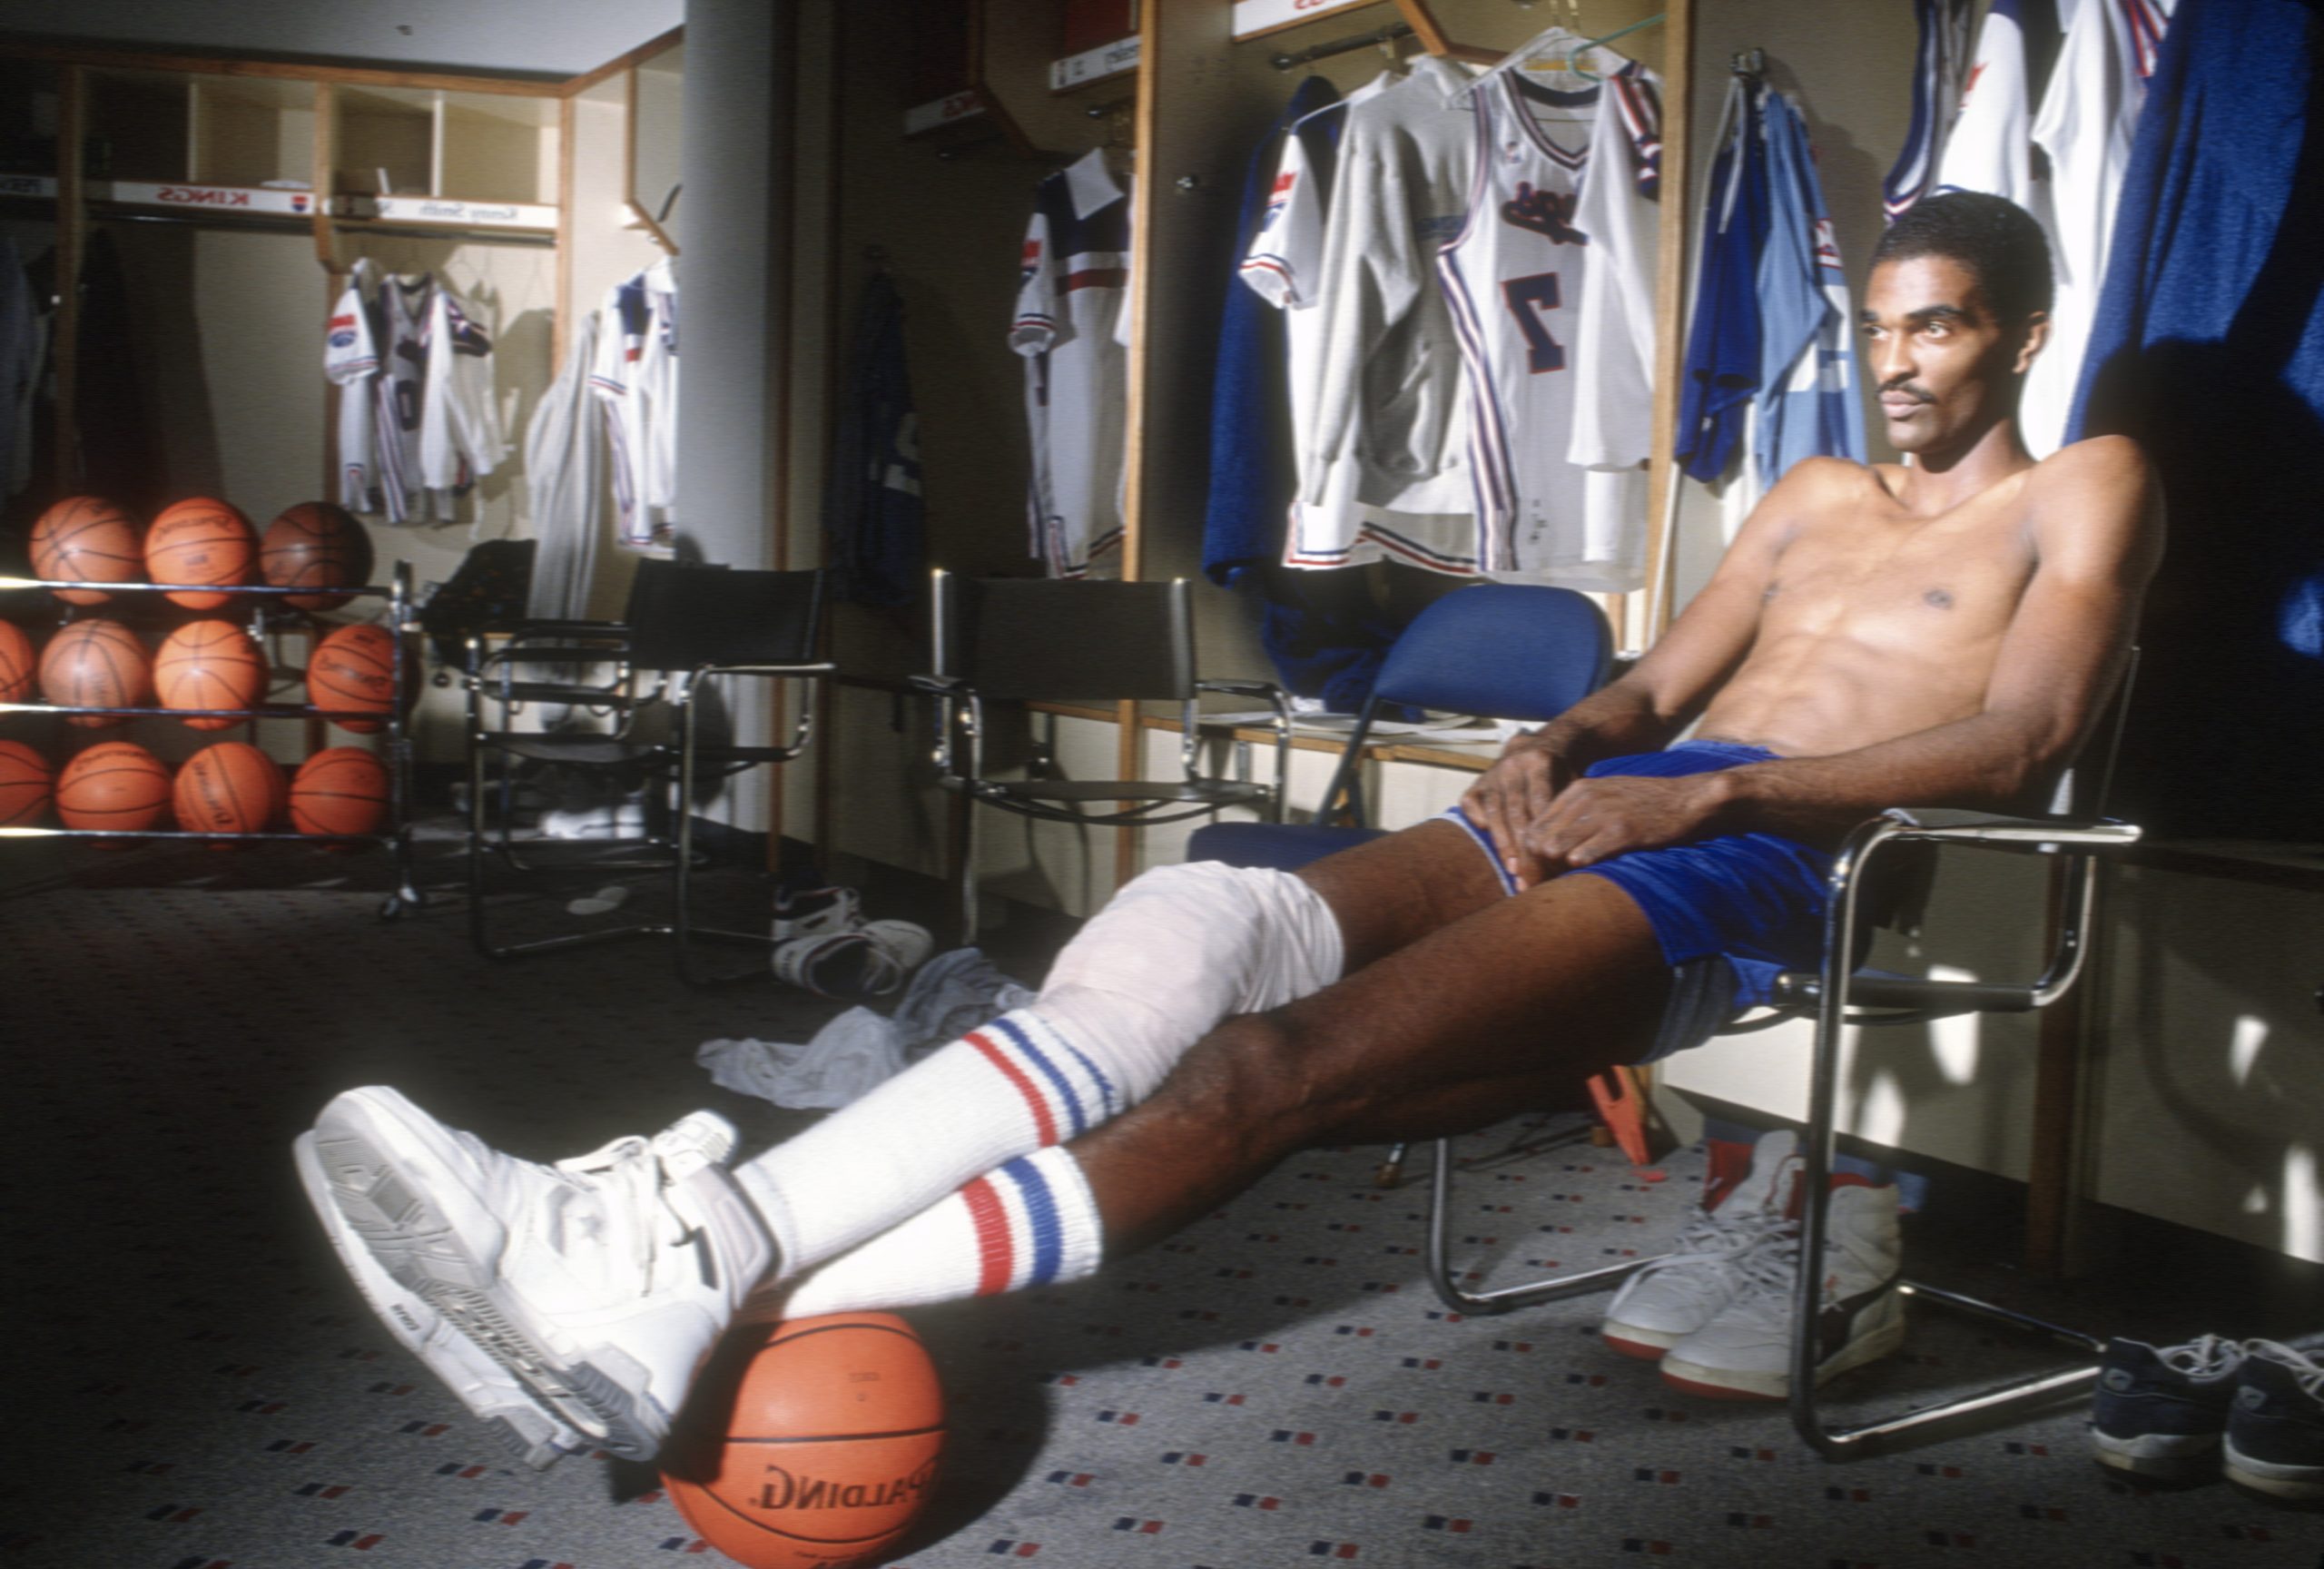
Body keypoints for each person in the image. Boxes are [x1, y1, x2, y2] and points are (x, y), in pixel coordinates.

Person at [299, 191, 2162, 1468]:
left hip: (1778, 867)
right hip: (1623, 806)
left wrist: (1719, 787)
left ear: (2017, 335)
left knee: (1272, 1068)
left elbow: (2025, 735)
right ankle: (673, 1287)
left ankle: (714, 1272)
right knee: (1197, 919)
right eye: (1877, 326)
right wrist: (1564, 739)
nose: (1897, 359)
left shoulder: (2082, 486)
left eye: (1936, 328)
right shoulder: (1813, 491)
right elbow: (1650, 683)